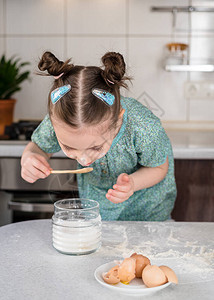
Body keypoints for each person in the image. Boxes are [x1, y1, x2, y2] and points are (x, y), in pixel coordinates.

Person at [21, 51, 176, 221]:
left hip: (149, 213)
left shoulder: (144, 126)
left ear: (118, 121)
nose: (83, 159)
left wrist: (132, 183)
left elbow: (159, 168)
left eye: (95, 147)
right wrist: (30, 157)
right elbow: (38, 148)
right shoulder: (58, 121)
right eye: (69, 147)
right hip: (97, 213)